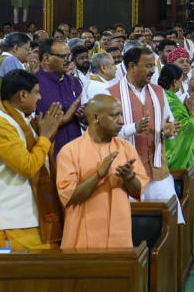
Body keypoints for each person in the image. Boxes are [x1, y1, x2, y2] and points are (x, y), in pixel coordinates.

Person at [0, 69, 65, 250]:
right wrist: (45, 138)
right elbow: (27, 167)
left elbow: (40, 159)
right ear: (23, 95)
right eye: (36, 92)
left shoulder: (20, 120)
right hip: (11, 221)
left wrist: (46, 136)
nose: (40, 97)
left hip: (29, 217)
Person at [56, 94, 146, 249]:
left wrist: (130, 177)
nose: (122, 121)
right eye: (114, 116)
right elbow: (68, 196)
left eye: (121, 115)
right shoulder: (69, 151)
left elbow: (137, 192)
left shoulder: (126, 148)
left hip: (120, 238)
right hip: (83, 241)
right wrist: (98, 175)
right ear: (96, 118)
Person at [109, 45, 180, 213]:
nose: (153, 71)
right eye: (148, 66)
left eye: (154, 66)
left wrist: (168, 132)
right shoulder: (111, 94)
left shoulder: (158, 91)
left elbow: (167, 124)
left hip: (157, 171)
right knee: (132, 224)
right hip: (126, 173)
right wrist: (133, 128)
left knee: (172, 217)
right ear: (132, 66)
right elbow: (105, 134)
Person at [159, 64, 194, 253]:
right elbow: (184, 128)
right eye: (181, 80)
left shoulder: (159, 95)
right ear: (175, 81)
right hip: (174, 159)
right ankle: (184, 247)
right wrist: (191, 113)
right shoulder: (171, 100)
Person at [35, 38, 84, 155]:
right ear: (46, 58)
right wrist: (64, 119)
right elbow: (33, 122)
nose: (68, 61)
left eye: (69, 56)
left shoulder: (74, 82)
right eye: (64, 57)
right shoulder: (33, 83)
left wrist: (83, 116)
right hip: (48, 153)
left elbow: (83, 118)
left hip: (75, 150)